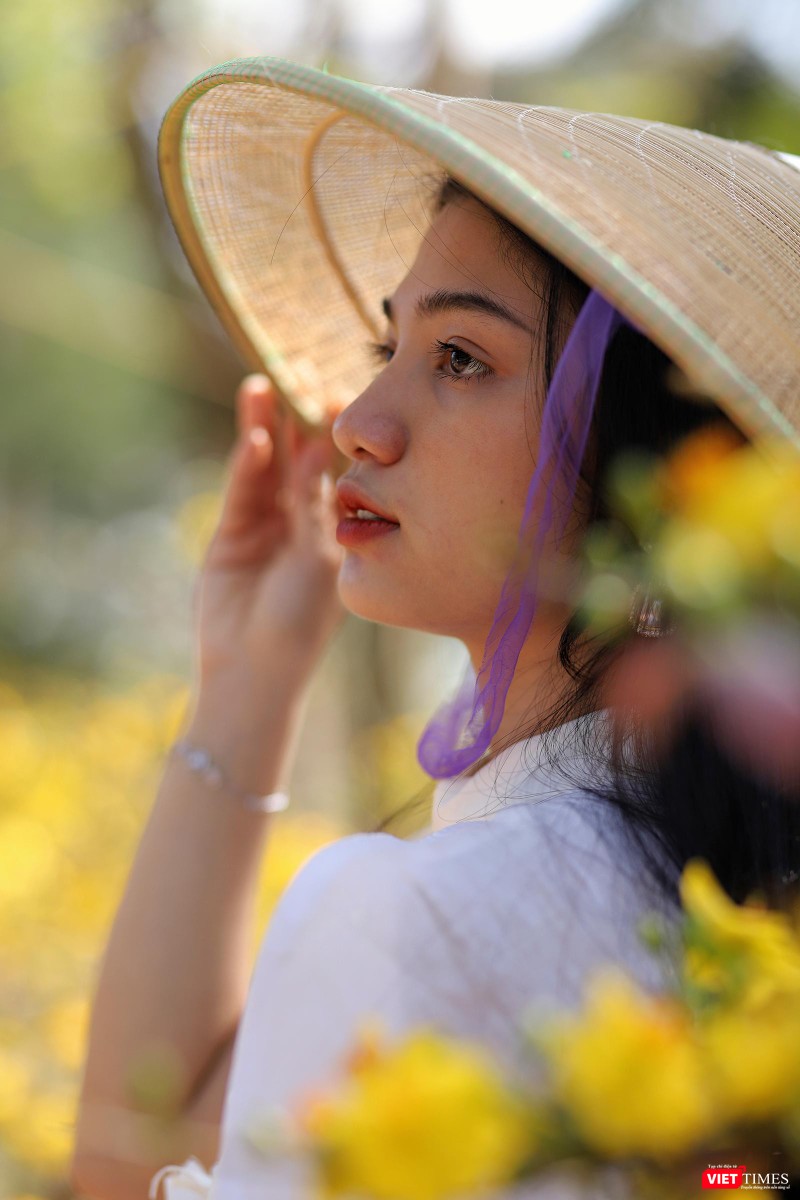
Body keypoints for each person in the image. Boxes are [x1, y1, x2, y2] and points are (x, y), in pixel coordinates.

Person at [70, 59, 800, 1200]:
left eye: (461, 357)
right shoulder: (742, 926)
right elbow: (150, 1147)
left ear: (654, 468)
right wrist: (251, 673)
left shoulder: (419, 911)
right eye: (388, 349)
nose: (359, 424)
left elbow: (121, 1169)